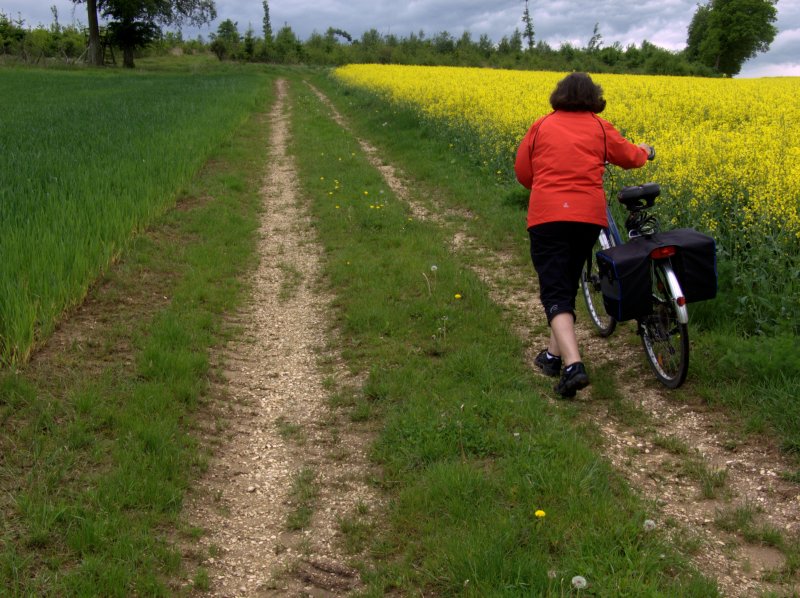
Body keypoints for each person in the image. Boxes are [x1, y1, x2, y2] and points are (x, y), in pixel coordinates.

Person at [514, 72, 653, 398]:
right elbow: (631, 157)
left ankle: (573, 365)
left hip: (547, 216)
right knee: (566, 280)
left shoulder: (542, 125)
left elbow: (523, 174)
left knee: (554, 289)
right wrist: (645, 150)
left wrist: (549, 184)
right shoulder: (600, 128)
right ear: (594, 98)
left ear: (559, 95)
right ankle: (552, 358)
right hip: (587, 218)